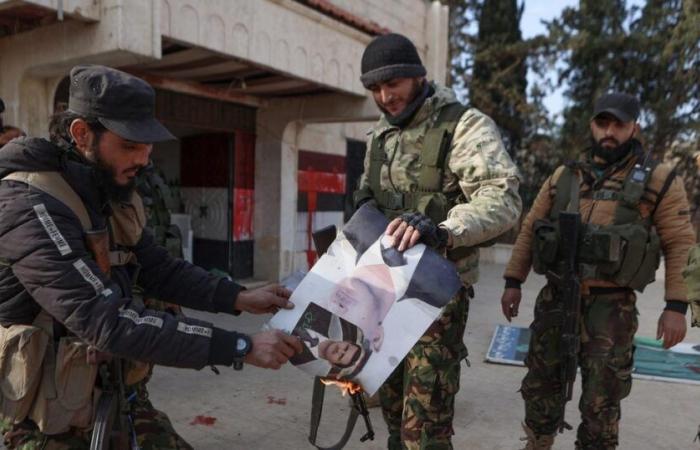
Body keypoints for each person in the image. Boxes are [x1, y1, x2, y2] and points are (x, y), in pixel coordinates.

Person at [0, 65, 302, 449]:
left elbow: (156, 267)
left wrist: (237, 297)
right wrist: (240, 347)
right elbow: (103, 317)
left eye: (147, 144)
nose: (143, 158)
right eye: (130, 144)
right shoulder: (29, 204)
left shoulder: (107, 191)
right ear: (81, 134)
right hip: (41, 422)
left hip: (108, 396)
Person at [353, 33, 522, 449]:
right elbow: (368, 198)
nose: (385, 96)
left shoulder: (462, 125)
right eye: (375, 88)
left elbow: (502, 196)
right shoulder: (380, 136)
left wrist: (444, 230)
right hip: (383, 292)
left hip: (435, 294)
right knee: (391, 410)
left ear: (418, 76)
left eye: (393, 83)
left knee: (425, 426)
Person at [501, 92, 695, 449]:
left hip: (612, 309)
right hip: (557, 298)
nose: (609, 131)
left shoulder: (658, 178)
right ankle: (537, 442)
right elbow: (531, 226)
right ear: (592, 124)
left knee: (601, 401)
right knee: (541, 385)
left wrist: (676, 307)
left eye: (619, 124)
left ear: (634, 127)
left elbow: (680, 242)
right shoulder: (566, 174)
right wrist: (514, 281)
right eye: (602, 123)